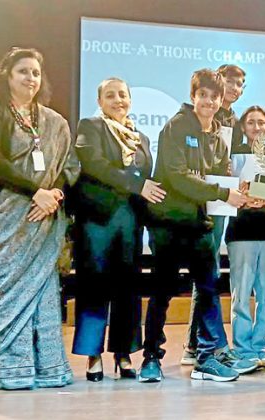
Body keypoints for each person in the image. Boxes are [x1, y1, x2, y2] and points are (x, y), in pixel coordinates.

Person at [0, 47, 79, 389]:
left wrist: (53, 194)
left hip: (41, 219)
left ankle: (47, 368)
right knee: (1, 290)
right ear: (7, 77)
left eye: (36, 73)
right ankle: (5, 371)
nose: (31, 78)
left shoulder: (54, 121)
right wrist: (35, 192)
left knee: (41, 290)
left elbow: (69, 167)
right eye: (23, 72)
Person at [141, 69, 253, 383]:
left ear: (221, 100)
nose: (208, 101)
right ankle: (151, 357)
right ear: (194, 96)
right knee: (162, 292)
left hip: (200, 224)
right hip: (169, 223)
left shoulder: (218, 135)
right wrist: (222, 192)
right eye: (202, 95)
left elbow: (218, 178)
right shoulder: (177, 126)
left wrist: (237, 189)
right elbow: (177, 176)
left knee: (207, 290)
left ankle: (207, 357)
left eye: (214, 96)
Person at [71, 77, 165, 381]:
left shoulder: (141, 138)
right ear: (100, 101)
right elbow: (95, 165)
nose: (118, 100)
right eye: (110, 96)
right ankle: (93, 355)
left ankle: (123, 354)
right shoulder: (90, 127)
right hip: (97, 221)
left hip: (130, 223)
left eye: (122, 95)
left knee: (127, 289)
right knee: (95, 286)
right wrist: (137, 184)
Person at [182, 64, 247, 366]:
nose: (236, 88)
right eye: (231, 82)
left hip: (222, 197)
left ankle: (199, 344)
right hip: (195, 198)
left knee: (209, 271)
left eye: (240, 84)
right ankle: (198, 345)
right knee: (205, 272)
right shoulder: (191, 120)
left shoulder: (236, 121)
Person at [225, 106, 265, 368]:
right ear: (243, 127)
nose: (257, 127)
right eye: (251, 123)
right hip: (241, 232)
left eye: (262, 122)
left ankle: (264, 346)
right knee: (241, 294)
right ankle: (242, 348)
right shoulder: (231, 156)